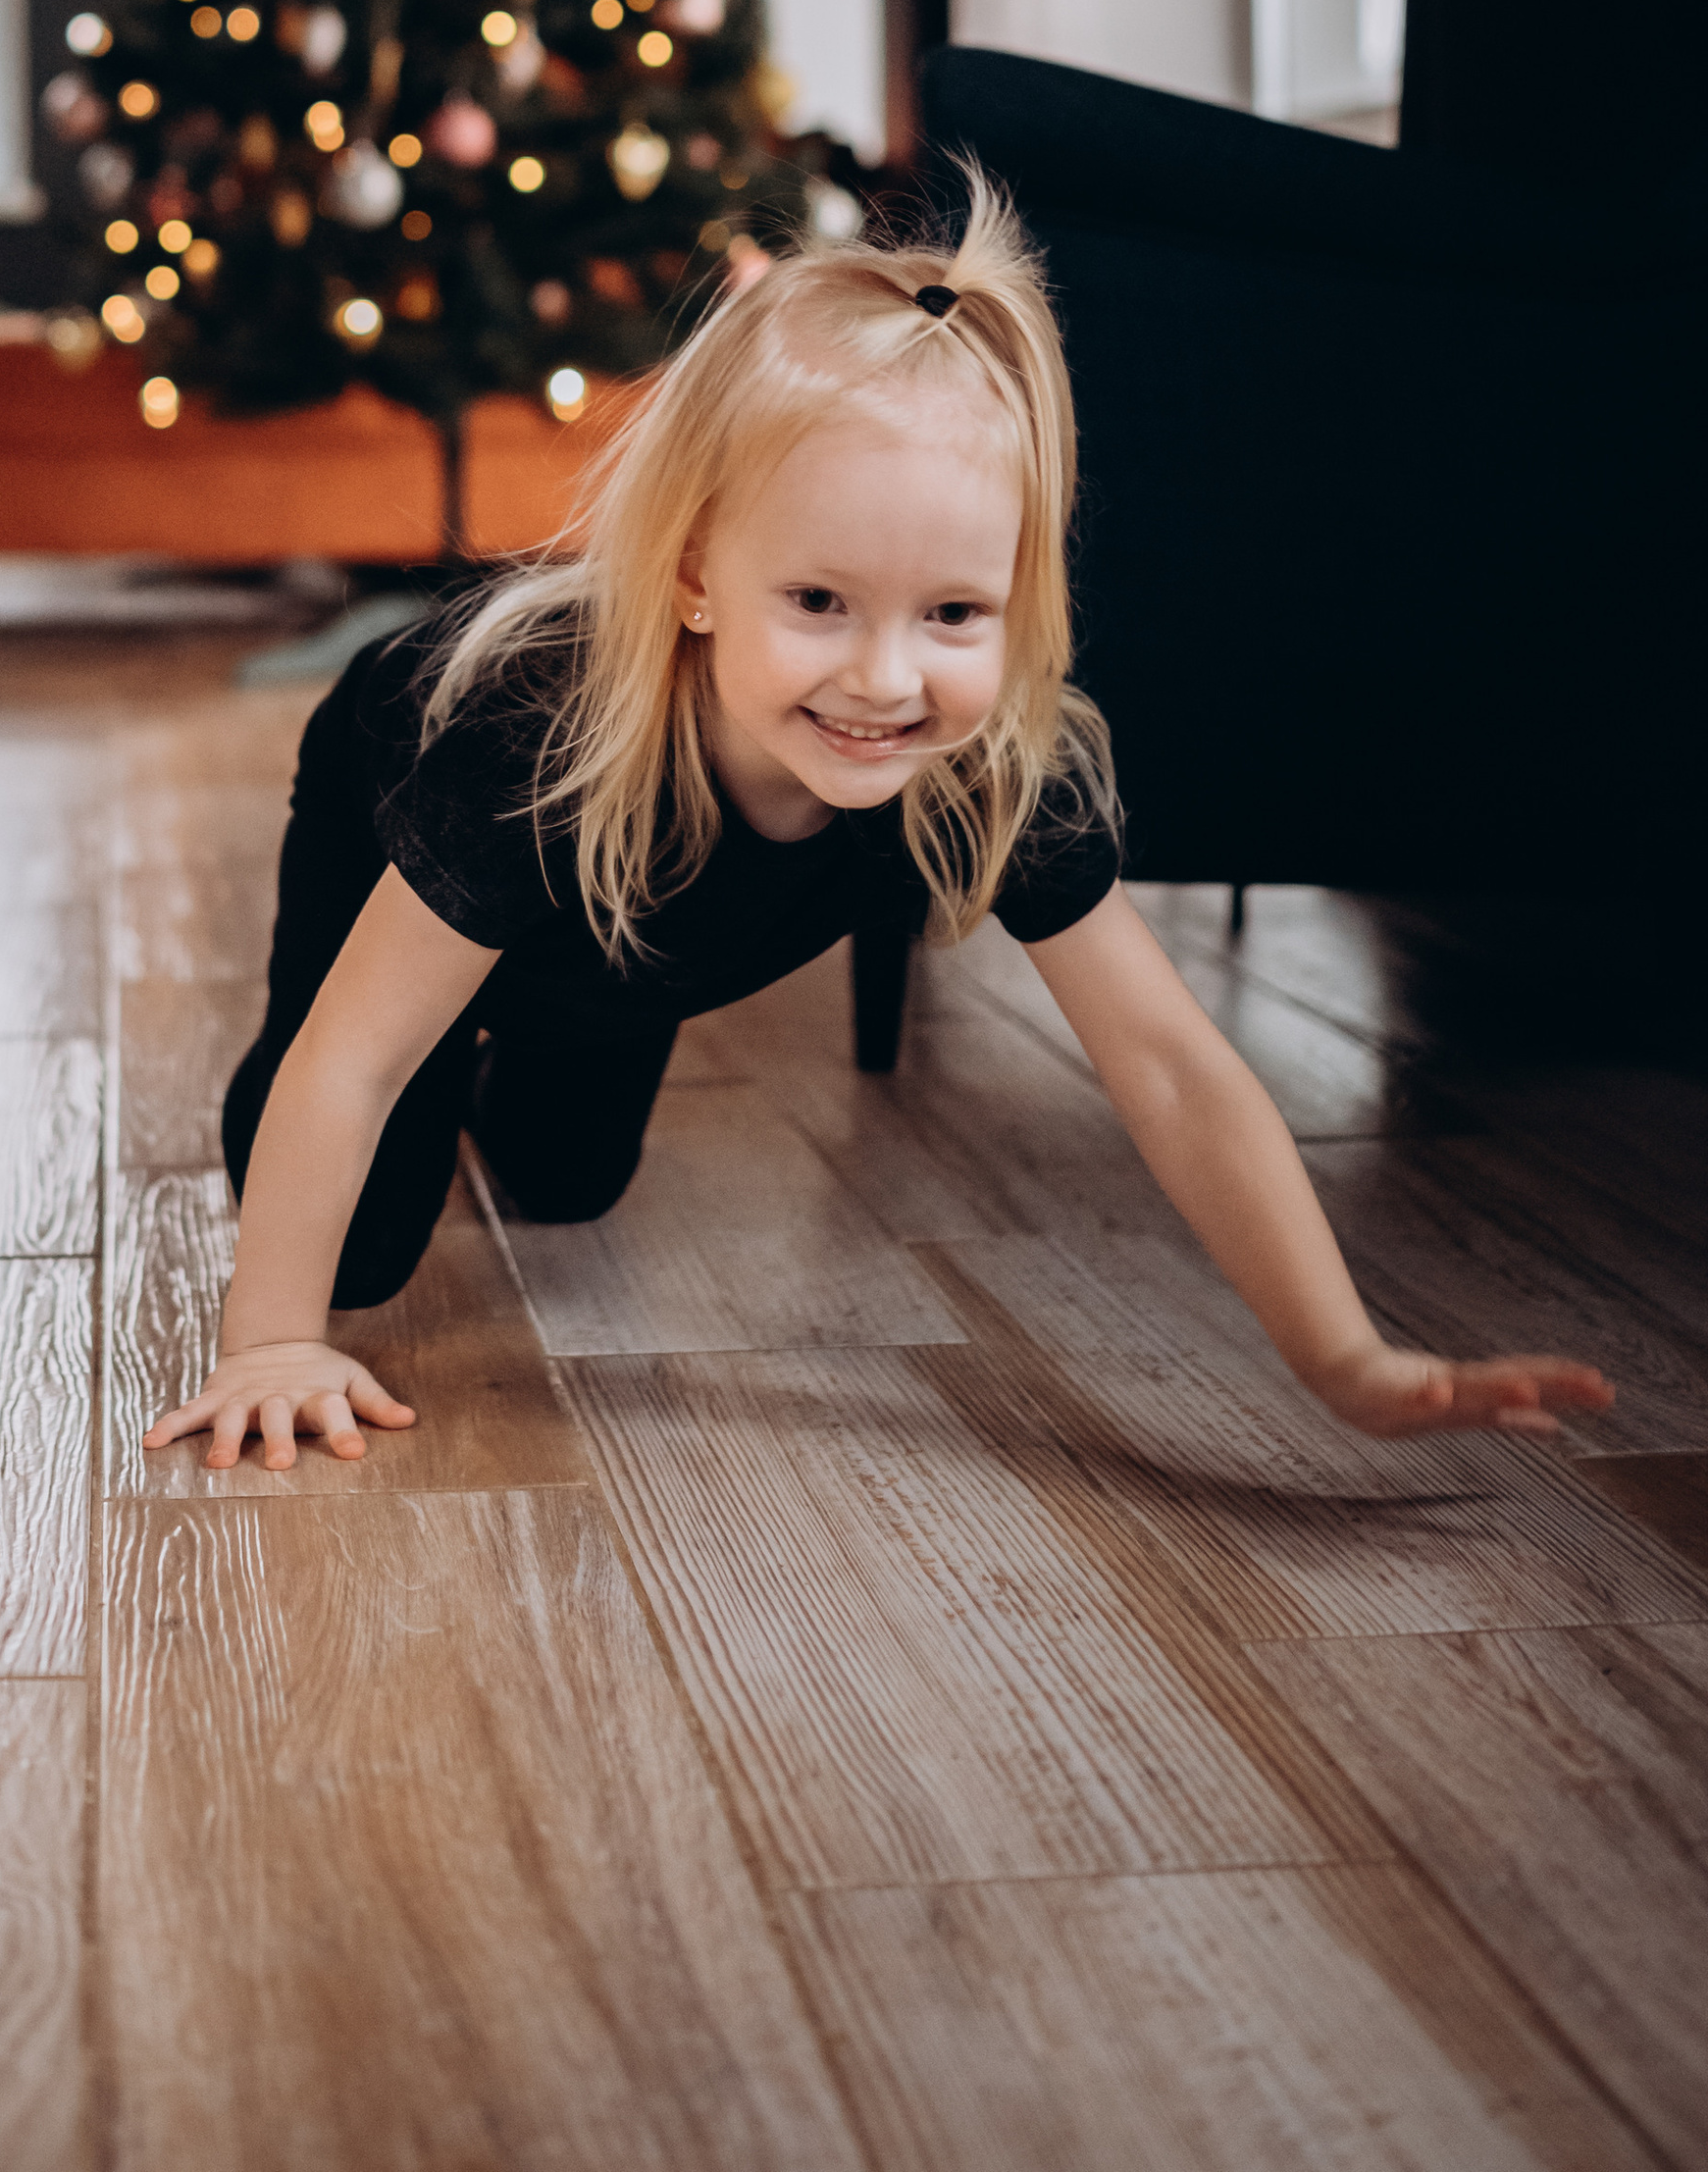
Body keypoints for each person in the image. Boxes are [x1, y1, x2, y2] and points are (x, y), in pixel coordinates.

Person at [145, 186, 1612, 1474]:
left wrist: (1343, 1358)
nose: (885, 681)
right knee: (361, 1238)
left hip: (625, 925)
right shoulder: (526, 744)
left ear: (1021, 603)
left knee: (570, 1181)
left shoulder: (990, 767)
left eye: (955, 613)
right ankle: (446, 1038)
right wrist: (271, 1342)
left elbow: (1172, 1070)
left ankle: (524, 1031)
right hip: (403, 805)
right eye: (819, 602)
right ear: (699, 575)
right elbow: (354, 1059)